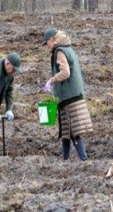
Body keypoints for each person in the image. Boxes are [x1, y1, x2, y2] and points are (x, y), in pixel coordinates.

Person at [42, 28, 93, 161]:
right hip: (69, 96)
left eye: (46, 42)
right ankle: (65, 160)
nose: (46, 46)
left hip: (70, 97)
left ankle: (84, 159)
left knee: (73, 131)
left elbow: (65, 73)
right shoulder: (67, 48)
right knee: (66, 132)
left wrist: (51, 80)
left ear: (52, 40)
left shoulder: (60, 51)